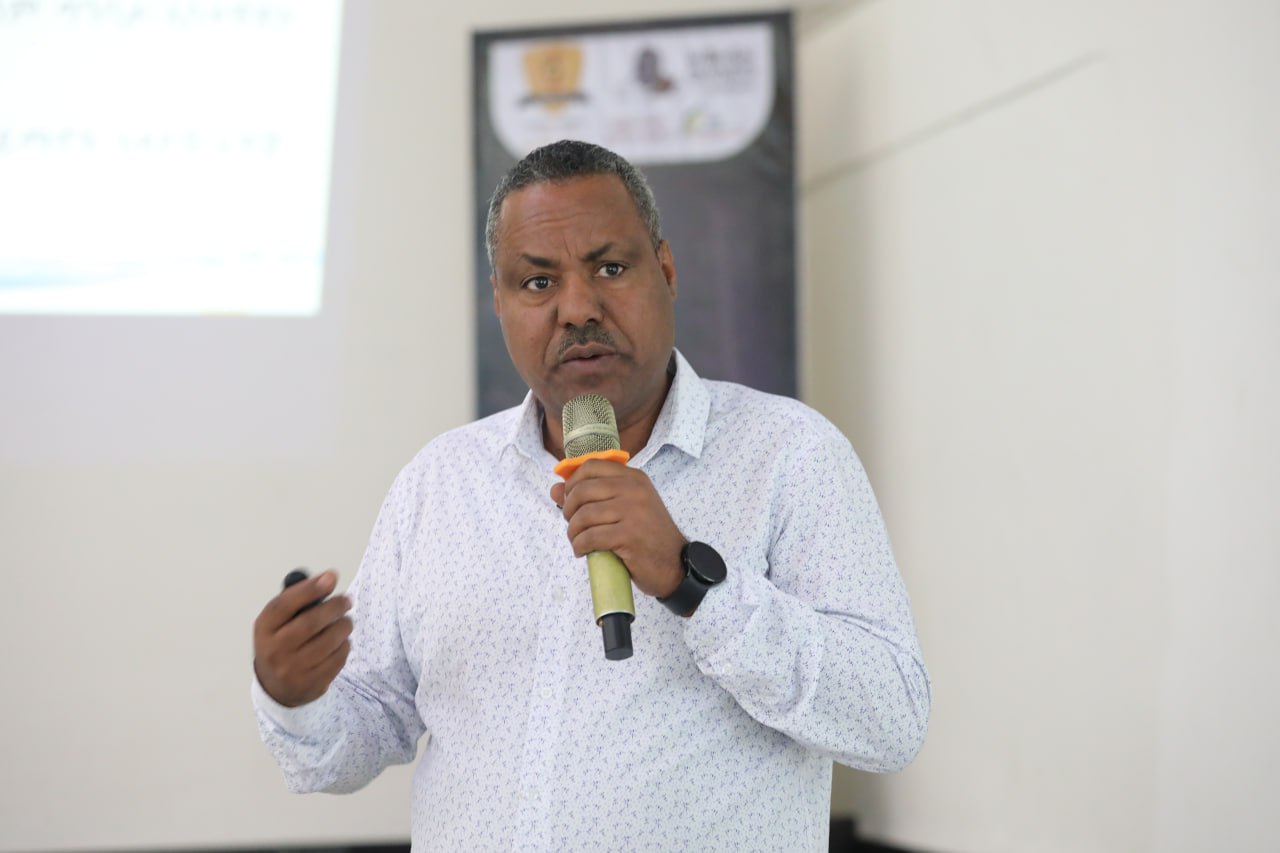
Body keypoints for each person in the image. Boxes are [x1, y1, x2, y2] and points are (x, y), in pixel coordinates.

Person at [251, 139, 930, 852]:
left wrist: (695, 584)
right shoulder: (440, 482)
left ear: (666, 270)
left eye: (610, 268)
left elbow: (891, 717)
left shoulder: (790, 454)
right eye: (538, 282)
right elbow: (365, 727)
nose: (577, 308)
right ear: (499, 303)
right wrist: (295, 696)